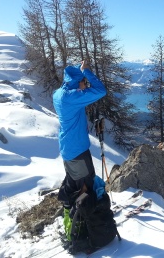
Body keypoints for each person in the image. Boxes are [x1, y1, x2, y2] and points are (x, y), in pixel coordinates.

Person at [53, 61, 106, 231]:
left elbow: (72, 80)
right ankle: (85, 227)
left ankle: (73, 219)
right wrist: (87, 71)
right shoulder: (72, 97)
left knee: (75, 185)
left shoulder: (59, 94)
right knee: (86, 189)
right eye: (83, 82)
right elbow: (100, 90)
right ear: (78, 82)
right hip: (77, 151)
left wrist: (78, 70)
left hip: (68, 149)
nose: (85, 85)